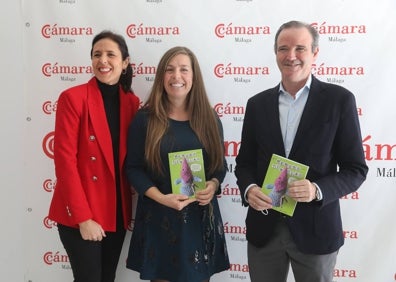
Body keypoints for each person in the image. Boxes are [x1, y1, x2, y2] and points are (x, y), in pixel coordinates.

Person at [235, 20, 368, 282]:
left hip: (316, 230)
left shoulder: (339, 101)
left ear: (315, 53)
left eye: (300, 48)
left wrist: (317, 190)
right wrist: (249, 189)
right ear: (275, 54)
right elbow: (244, 163)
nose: (291, 56)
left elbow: (356, 170)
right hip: (264, 227)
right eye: (283, 48)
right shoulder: (257, 104)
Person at [125, 46, 230, 282]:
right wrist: (162, 198)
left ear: (193, 77)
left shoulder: (210, 119)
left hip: (198, 219)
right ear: (162, 76)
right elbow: (133, 168)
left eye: (184, 69)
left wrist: (212, 186)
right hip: (159, 218)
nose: (177, 76)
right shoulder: (145, 120)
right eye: (170, 70)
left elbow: (219, 167)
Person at [48, 30, 140, 282]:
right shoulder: (73, 98)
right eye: (97, 54)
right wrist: (83, 218)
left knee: (107, 278)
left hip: (116, 212)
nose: (103, 60)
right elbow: (64, 161)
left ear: (125, 63)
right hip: (80, 212)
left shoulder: (132, 103)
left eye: (111, 54)